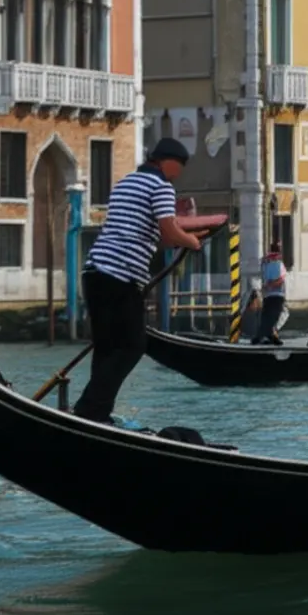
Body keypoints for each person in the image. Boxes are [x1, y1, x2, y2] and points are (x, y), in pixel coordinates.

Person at [71, 137, 204, 424]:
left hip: (94, 271)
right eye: (180, 166)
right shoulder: (162, 187)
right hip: (120, 276)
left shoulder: (126, 183)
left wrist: (182, 234)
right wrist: (192, 242)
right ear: (168, 162)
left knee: (107, 347)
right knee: (133, 346)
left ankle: (96, 414)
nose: (179, 173)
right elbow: (169, 234)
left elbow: (145, 225)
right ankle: (90, 409)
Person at [252, 241, 287, 345]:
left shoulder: (265, 265)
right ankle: (263, 336)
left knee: (267, 317)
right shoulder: (279, 264)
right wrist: (271, 285)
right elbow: (281, 279)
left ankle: (268, 336)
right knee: (274, 317)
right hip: (277, 295)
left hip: (267, 295)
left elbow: (263, 277)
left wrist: (267, 286)